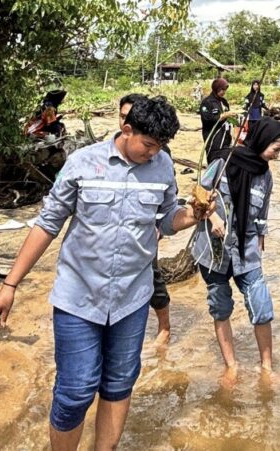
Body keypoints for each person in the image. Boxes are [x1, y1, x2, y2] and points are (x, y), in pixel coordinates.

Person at [0, 96, 213, 450]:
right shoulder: (82, 163)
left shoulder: (163, 166)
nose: (154, 153)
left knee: (120, 383)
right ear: (126, 129)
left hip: (131, 300)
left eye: (161, 147)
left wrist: (193, 215)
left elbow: (168, 219)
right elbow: (47, 225)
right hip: (78, 298)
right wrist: (9, 285)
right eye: (148, 144)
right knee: (75, 391)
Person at [192, 117, 280, 380]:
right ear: (261, 140)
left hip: (246, 251)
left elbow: (262, 215)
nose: (278, 156)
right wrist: (212, 217)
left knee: (261, 305)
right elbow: (198, 193)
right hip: (214, 251)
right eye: (275, 149)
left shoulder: (265, 176)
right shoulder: (222, 163)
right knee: (220, 306)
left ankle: (267, 367)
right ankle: (231, 366)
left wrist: (261, 238)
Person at [119, 94, 173, 344]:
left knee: (153, 279)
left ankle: (164, 327)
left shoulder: (159, 158)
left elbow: (168, 204)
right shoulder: (93, 159)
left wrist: (160, 226)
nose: (153, 152)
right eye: (121, 116)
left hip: (144, 240)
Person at [200, 78, 234, 163]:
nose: (223, 92)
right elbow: (206, 119)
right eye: (221, 89)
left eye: (225, 90)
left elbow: (227, 117)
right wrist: (221, 116)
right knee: (214, 160)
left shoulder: (224, 102)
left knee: (225, 160)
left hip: (225, 136)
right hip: (213, 137)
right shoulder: (207, 102)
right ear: (216, 88)